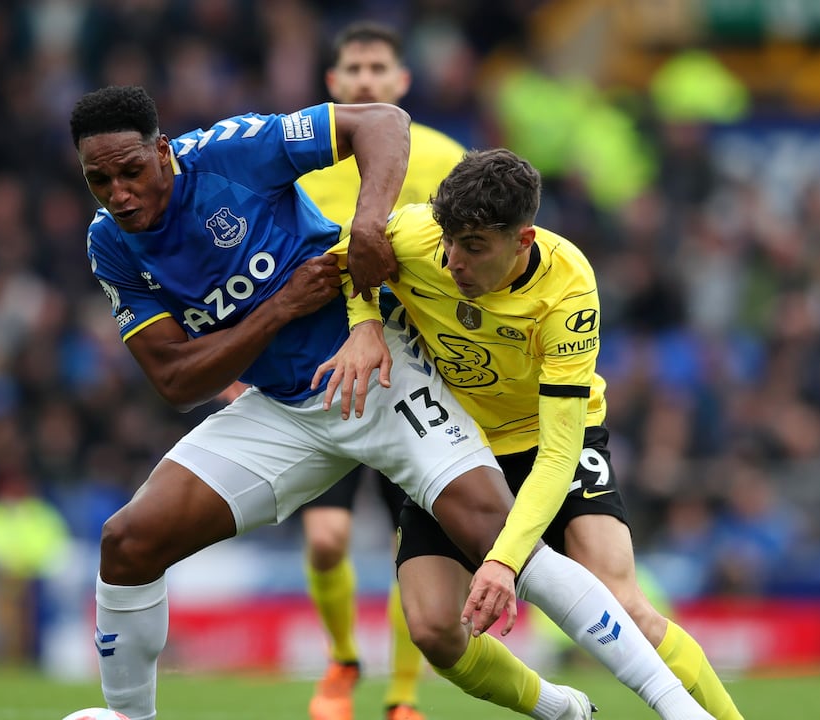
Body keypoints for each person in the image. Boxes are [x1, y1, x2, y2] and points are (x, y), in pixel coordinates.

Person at [71, 85, 709, 720]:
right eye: (99, 180)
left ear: (162, 151)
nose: (119, 194)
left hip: (383, 372)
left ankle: (680, 712)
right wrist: (281, 308)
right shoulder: (110, 245)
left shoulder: (234, 153)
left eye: (131, 171)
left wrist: (366, 226)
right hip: (287, 408)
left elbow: (380, 122)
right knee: (128, 543)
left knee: (503, 543)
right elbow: (177, 380)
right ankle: (131, 718)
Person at [315, 148, 744, 720]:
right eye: (448, 241)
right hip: (455, 447)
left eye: (473, 248)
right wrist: (365, 323)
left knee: (624, 604)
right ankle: (560, 708)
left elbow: (560, 450)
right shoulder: (416, 235)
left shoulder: (568, 290)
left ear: (523, 240)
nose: (453, 261)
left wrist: (504, 561)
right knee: (435, 629)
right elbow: (346, 262)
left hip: (549, 440)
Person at [293, 21, 467, 720]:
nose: (366, 80)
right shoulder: (304, 159)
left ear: (402, 82)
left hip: (415, 373)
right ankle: (342, 659)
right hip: (319, 370)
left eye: (378, 69)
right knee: (327, 540)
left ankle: (401, 700)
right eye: (353, 71)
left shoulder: (444, 156)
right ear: (334, 86)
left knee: (412, 548)